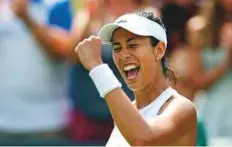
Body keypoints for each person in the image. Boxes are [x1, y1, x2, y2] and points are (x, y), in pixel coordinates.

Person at [75, 11, 197, 146]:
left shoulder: (182, 109)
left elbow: (143, 140)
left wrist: (97, 68)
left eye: (132, 45)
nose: (123, 55)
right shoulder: (126, 114)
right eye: (117, 48)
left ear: (159, 50)